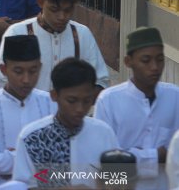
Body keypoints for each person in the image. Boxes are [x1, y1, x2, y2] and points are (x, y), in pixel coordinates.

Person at [0, 0, 110, 91]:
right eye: (54, 9)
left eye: (67, 10)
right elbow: (2, 83)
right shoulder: (17, 33)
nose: (61, 17)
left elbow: (101, 82)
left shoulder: (82, 34)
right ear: (40, 2)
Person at [13, 58, 119, 188]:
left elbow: (119, 183)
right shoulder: (32, 138)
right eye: (72, 101)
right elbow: (21, 186)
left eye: (86, 101)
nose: (80, 109)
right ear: (54, 95)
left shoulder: (104, 133)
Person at [95, 27, 179, 188]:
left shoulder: (175, 96)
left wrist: (134, 155)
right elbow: (107, 158)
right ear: (128, 62)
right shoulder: (108, 101)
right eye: (146, 60)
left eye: (160, 59)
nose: (154, 67)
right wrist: (157, 156)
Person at [0, 35, 56, 185]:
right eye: (18, 71)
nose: (26, 79)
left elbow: (60, 161)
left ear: (40, 68)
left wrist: (8, 156)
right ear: (4, 69)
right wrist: (31, 157)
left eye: (33, 71)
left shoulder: (51, 103)